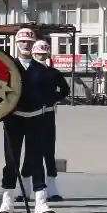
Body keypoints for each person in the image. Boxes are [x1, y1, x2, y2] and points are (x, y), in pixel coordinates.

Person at [0, 28, 54, 213]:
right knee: (11, 160)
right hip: (13, 118)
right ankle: (7, 202)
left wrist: (44, 103)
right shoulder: (9, 67)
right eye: (22, 42)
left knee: (36, 160)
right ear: (17, 43)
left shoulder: (41, 69)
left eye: (29, 43)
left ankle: (41, 202)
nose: (26, 45)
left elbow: (52, 91)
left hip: (36, 118)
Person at [31, 40, 70, 201]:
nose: (41, 56)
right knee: (31, 152)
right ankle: (25, 188)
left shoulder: (53, 73)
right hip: (30, 114)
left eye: (44, 53)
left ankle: (52, 187)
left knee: (48, 150)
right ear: (33, 53)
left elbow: (65, 89)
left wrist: (52, 99)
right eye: (39, 53)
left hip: (47, 114)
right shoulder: (27, 71)